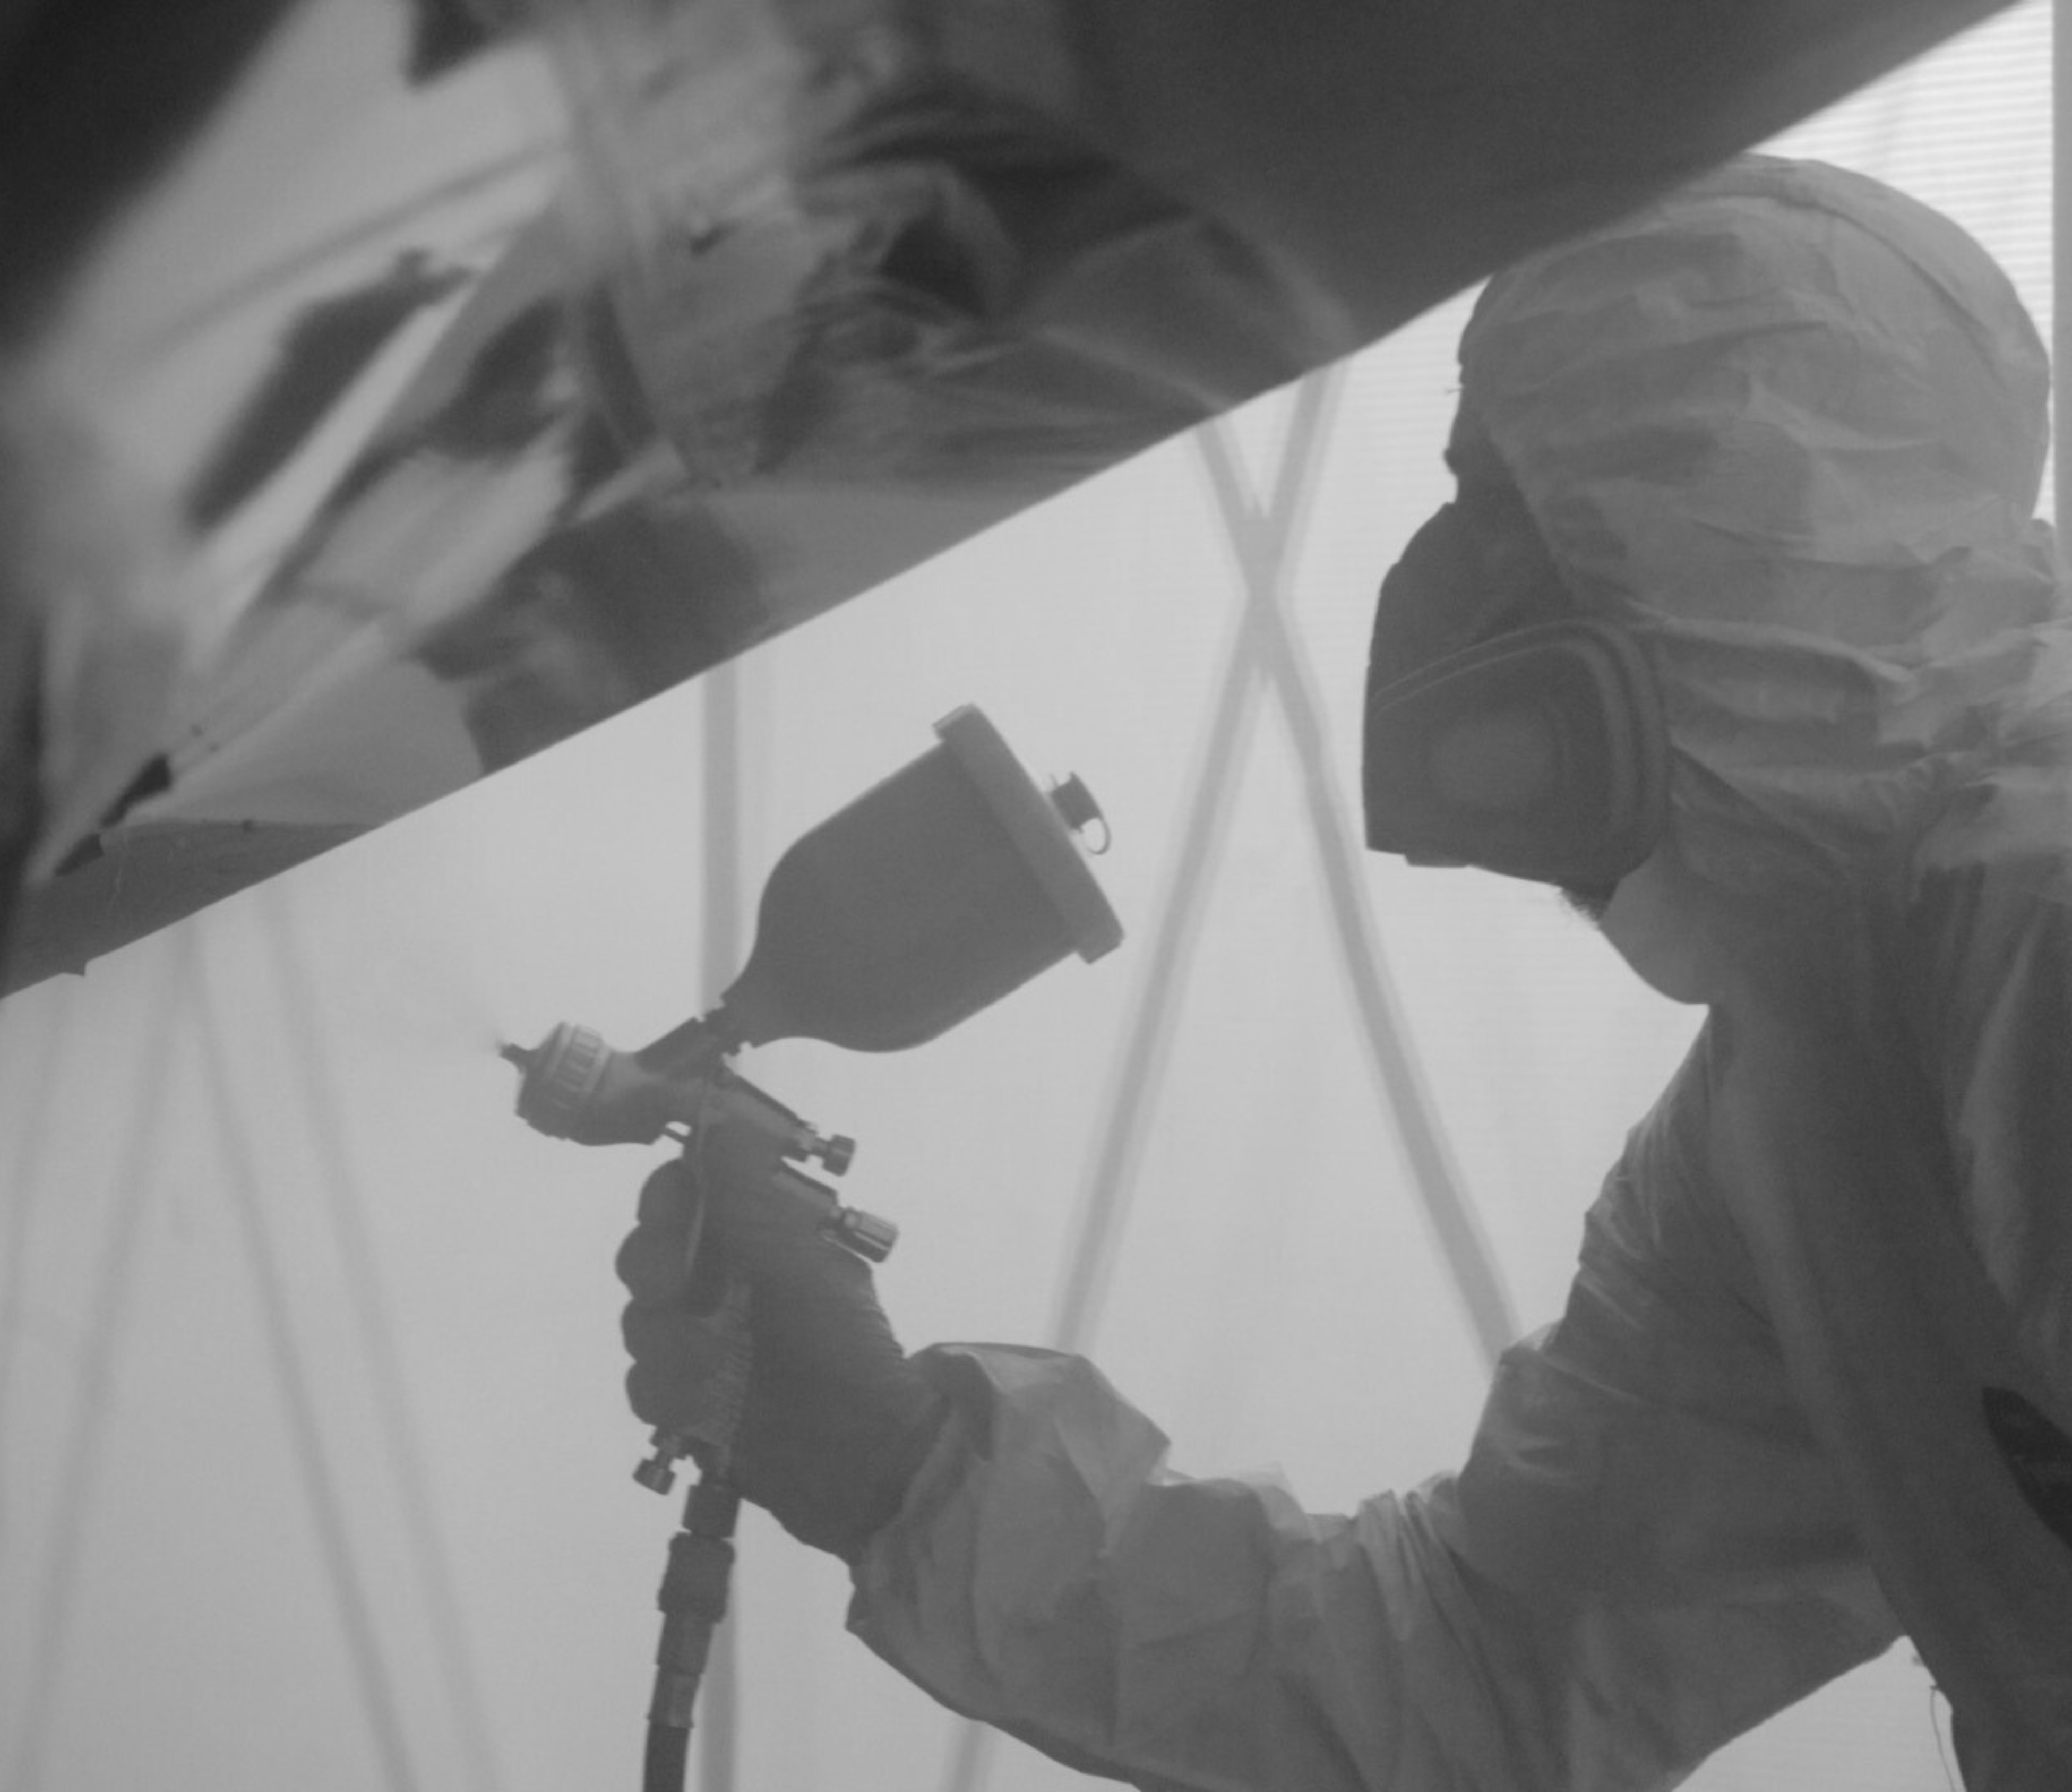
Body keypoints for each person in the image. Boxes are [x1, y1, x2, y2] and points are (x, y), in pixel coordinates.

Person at [617, 154, 2069, 1790]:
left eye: (1509, 511)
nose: (1442, 595)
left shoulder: (2042, 915)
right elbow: (1486, 1661)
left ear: (1750, 546)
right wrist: (896, 1466)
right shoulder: (1785, 1132)